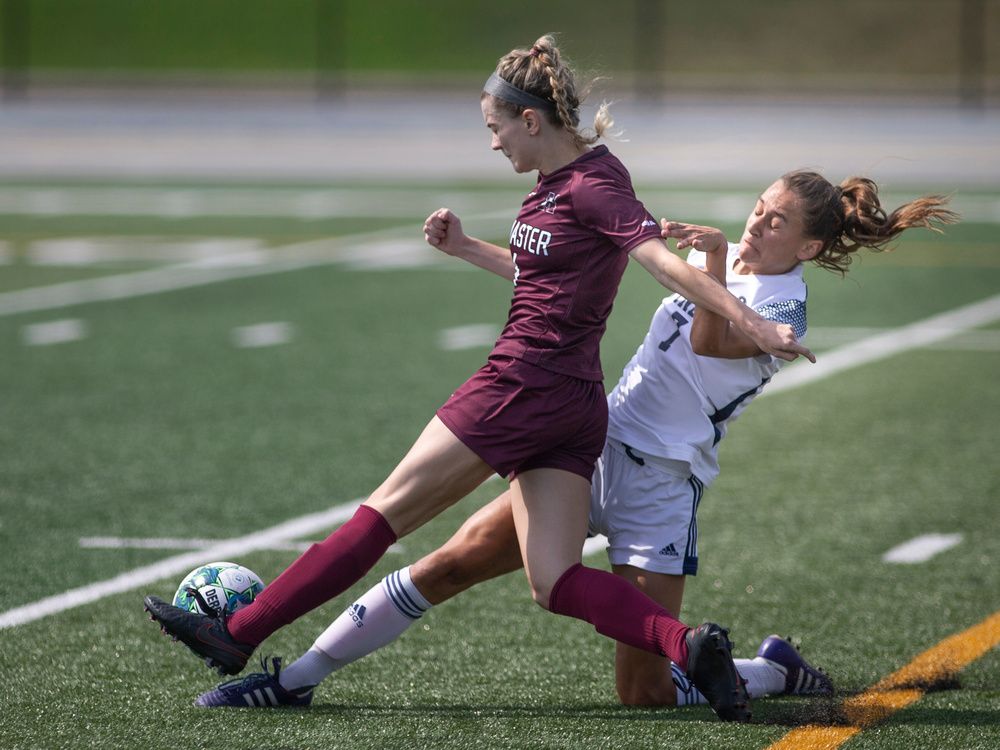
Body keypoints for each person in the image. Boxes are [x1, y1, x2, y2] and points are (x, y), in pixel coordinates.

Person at [144, 34, 813, 723]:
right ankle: (688, 643)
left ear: (531, 119)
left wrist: (753, 322)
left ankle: (239, 632)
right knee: (554, 581)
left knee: (380, 517)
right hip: (575, 406)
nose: (493, 143)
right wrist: (466, 247)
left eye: (496, 128)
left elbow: (659, 262)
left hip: (519, 386)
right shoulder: (571, 183)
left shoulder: (593, 186)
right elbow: (545, 274)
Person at [187, 170, 957, 711]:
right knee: (449, 564)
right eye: (759, 208)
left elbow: (712, 343)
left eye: (776, 220)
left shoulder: (786, 304)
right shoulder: (711, 263)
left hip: (663, 487)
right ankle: (295, 679)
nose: (757, 222)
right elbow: (574, 283)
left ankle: (773, 671)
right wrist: (469, 248)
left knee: (643, 692)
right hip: (594, 447)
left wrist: (717, 262)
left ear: (810, 248)